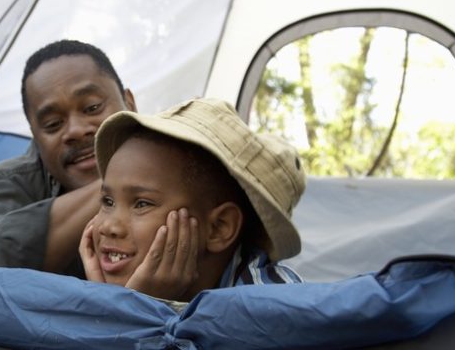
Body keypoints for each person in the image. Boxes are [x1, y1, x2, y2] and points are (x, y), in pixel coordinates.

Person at [79, 97, 305, 302]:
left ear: (218, 228)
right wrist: (108, 304)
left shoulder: (271, 308)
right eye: (107, 201)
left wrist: (133, 310)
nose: (109, 227)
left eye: (142, 204)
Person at [0, 40, 136, 276]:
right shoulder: (9, 181)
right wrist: (125, 183)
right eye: (53, 124)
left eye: (92, 107)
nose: (75, 130)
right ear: (35, 137)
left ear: (130, 104)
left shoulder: (181, 160)